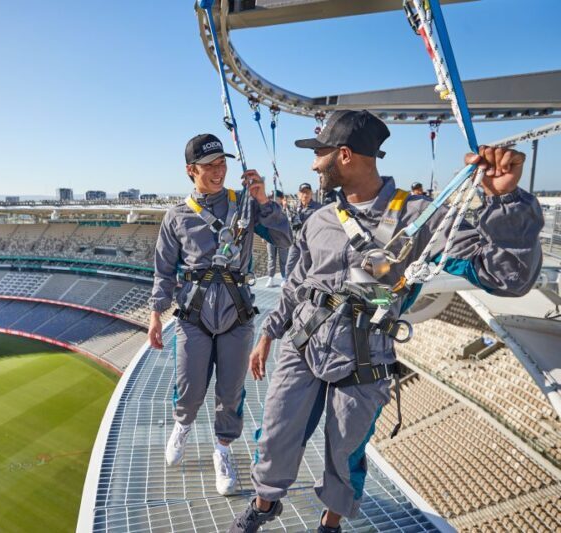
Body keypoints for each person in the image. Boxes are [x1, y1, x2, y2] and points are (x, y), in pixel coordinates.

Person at [228, 110, 543, 532]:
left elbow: (507, 278)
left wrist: (505, 202)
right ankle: (264, 506)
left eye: (319, 154)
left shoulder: (420, 219)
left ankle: (330, 523)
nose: (313, 164)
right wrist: (269, 334)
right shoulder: (321, 219)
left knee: (346, 451)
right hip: (303, 345)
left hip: (364, 355)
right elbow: (297, 282)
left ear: (344, 155)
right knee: (276, 434)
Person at [148, 133, 292, 496]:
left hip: (236, 314)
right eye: (209, 166)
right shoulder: (177, 216)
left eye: (222, 164)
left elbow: (284, 239)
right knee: (191, 387)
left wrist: (264, 201)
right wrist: (154, 314)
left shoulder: (244, 204)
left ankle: (222, 450)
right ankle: (182, 425)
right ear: (190, 171)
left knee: (230, 393)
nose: (218, 171)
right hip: (194, 316)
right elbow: (164, 270)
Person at [284, 182, 322, 282]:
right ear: (298, 194)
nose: (305, 195)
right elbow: (288, 221)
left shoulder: (318, 208)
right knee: (289, 264)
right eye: (302, 193)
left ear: (311, 194)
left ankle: (305, 286)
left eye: (307, 192)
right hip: (295, 241)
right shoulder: (295, 206)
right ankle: (288, 283)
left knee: (306, 266)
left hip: (309, 244)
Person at [265, 190, 288, 287]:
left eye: (274, 197)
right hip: (271, 236)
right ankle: (271, 277)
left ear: (280, 199)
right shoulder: (268, 209)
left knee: (283, 258)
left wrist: (285, 207)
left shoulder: (285, 209)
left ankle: (284, 277)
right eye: (270, 197)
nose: (272, 199)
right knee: (271, 257)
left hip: (282, 237)